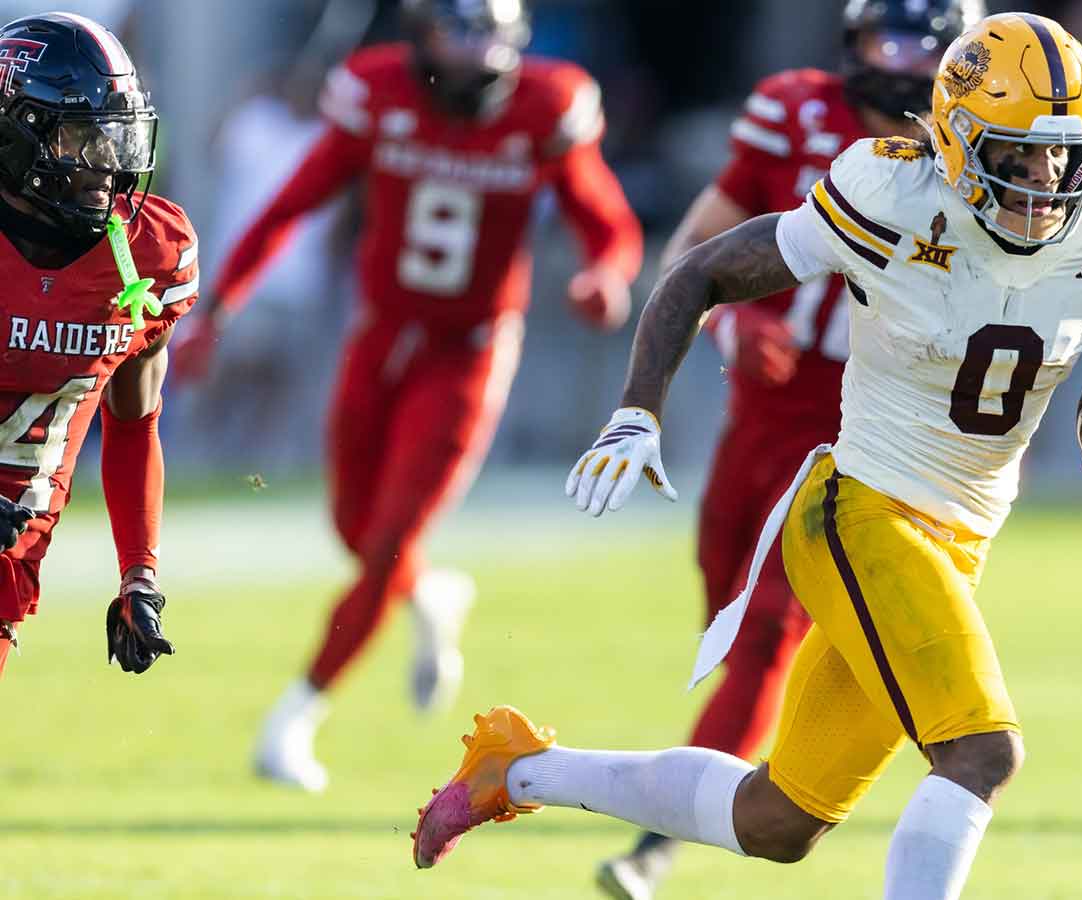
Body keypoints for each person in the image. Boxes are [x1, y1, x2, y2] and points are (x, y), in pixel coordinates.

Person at [410, 13, 1082, 900]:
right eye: (1019, 157)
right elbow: (701, 272)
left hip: (959, 542)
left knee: (776, 821)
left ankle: (519, 769)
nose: (1045, 183)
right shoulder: (892, 195)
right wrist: (638, 410)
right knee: (982, 751)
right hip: (862, 513)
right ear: (958, 139)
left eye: (1064, 158)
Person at [177, 0, 643, 792]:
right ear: (421, 37)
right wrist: (215, 311)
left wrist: (607, 273)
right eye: (456, 36)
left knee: (389, 538)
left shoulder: (545, 105)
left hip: (470, 352)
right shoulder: (377, 91)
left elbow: (609, 223)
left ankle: (296, 715)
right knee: (352, 525)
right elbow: (291, 204)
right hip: (379, 336)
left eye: (487, 37)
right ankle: (429, 593)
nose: (472, 56)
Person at [593, 3, 984, 898]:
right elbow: (699, 247)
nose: (902, 62)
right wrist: (735, 327)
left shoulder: (979, 155)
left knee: (768, 628)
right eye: (887, 41)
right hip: (763, 408)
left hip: (868, 423)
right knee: (724, 604)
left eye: (924, 47)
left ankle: (656, 846)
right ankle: (711, 775)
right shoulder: (795, 107)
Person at [0, 12, 192, 680]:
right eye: (82, 137)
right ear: (17, 134)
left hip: (9, 567)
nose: (107, 166)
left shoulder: (147, 255)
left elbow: (134, 424)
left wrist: (140, 574)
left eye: (116, 137)